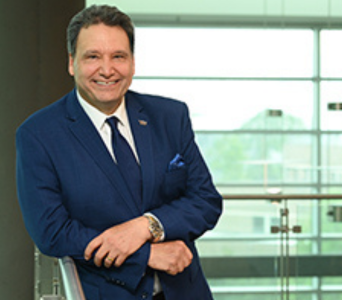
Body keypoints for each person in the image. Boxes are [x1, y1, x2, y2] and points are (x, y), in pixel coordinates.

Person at [16, 4, 222, 300]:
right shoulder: (38, 134)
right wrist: (146, 254)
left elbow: (205, 201)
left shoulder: (170, 116)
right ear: (72, 62)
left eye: (118, 56)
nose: (107, 69)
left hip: (185, 291)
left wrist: (146, 227)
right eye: (93, 57)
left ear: (133, 63)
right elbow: (52, 231)